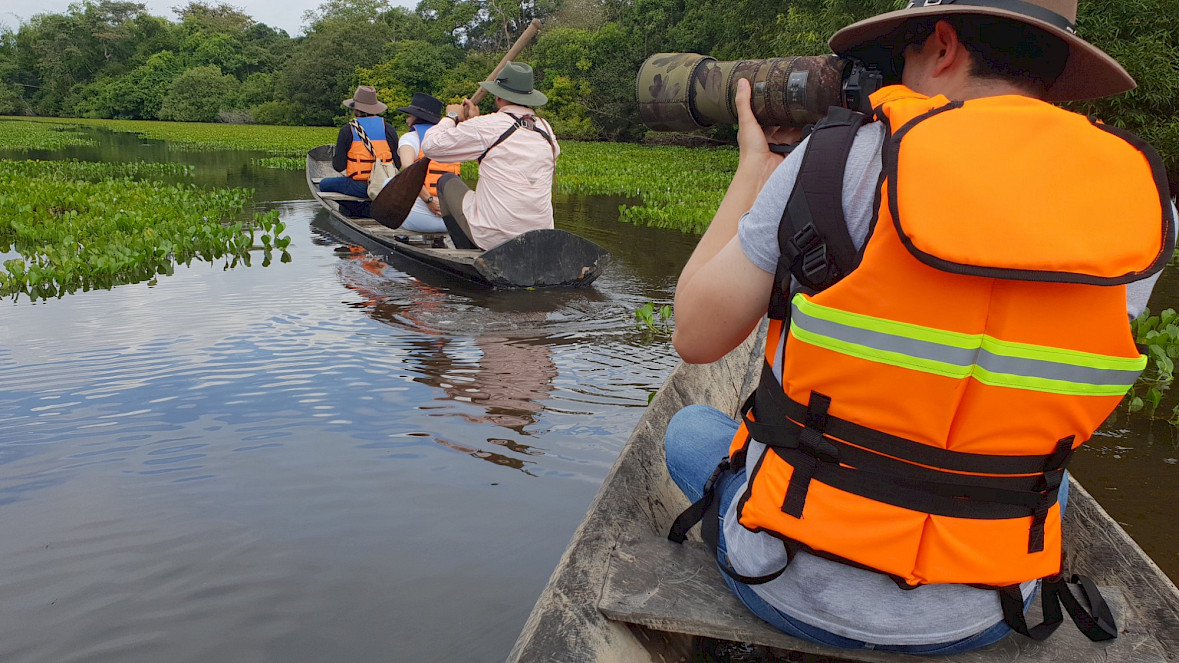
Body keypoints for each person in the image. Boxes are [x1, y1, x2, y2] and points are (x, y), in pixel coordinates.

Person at [666, 0, 1178, 655]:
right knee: (1057, 480)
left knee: (690, 431)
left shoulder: (837, 158)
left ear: (940, 45)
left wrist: (753, 170)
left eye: (900, 57)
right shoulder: (1144, 203)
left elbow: (695, 336)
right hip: (987, 608)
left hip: (789, 583)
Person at [420, 61, 560, 250]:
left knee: (446, 180)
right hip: (541, 236)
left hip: (495, 238)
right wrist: (474, 121)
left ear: (497, 97)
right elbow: (505, 152)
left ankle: (469, 254)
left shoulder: (487, 126)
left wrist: (452, 116)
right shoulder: (546, 130)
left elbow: (430, 146)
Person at [319, 85, 401, 216]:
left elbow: (338, 166)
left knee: (323, 185)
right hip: (385, 185)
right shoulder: (388, 128)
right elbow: (398, 163)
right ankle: (371, 206)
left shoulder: (348, 130)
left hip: (359, 186)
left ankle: (360, 210)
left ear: (355, 109)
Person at [394, 92, 462, 234]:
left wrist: (429, 200)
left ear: (416, 119)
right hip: (453, 222)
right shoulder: (453, 140)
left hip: (421, 222)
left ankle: (402, 237)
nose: (407, 120)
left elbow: (408, 169)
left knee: (388, 182)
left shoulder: (410, 138)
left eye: (410, 116)